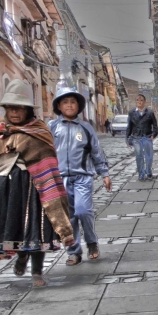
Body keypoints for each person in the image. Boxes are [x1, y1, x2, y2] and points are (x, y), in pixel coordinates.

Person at [0, 79, 74, 288]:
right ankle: (21, 256)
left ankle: (37, 271)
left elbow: (48, 161)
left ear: (28, 110)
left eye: (20, 108)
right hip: (5, 187)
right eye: (11, 108)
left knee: (36, 229)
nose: (15, 112)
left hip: (34, 186)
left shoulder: (39, 131)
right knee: (12, 227)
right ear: (5, 109)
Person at [49, 85, 112, 265]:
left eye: (73, 102)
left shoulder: (85, 128)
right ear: (58, 106)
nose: (69, 105)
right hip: (61, 179)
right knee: (69, 218)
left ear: (78, 106)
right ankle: (74, 251)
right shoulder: (52, 128)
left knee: (83, 211)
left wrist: (104, 174)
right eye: (65, 102)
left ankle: (91, 242)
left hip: (82, 177)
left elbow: (96, 152)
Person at [126, 93, 158, 180]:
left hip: (147, 137)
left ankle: (148, 172)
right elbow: (129, 127)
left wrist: (153, 135)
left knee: (149, 156)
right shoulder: (131, 113)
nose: (139, 102)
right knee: (139, 156)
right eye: (137, 100)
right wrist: (127, 139)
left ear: (144, 102)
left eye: (141, 100)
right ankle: (141, 174)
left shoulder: (150, 113)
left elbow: (155, 126)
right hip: (136, 138)